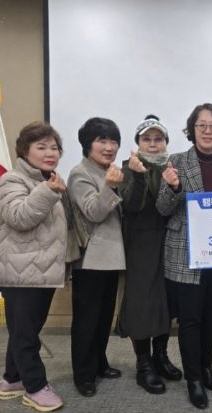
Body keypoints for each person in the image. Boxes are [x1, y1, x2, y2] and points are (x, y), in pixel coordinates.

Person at [156, 103, 212, 409]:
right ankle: (193, 379)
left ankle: (206, 368)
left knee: (211, 317)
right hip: (185, 253)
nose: (207, 131)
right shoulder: (176, 161)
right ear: (192, 130)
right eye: (201, 125)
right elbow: (162, 209)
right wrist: (174, 187)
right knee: (190, 319)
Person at [0, 121, 66, 412]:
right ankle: (35, 387)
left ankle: (12, 379)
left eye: (54, 148)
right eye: (41, 147)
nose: (50, 153)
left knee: (26, 329)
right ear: (24, 151)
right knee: (25, 334)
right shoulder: (11, 181)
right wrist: (48, 191)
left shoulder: (47, 180)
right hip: (18, 271)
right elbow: (20, 217)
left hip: (39, 270)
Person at [117, 115, 182, 395]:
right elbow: (131, 206)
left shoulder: (173, 166)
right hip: (140, 243)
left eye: (158, 139)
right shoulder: (127, 168)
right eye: (147, 139)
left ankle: (161, 356)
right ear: (138, 143)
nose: (153, 144)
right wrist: (139, 175)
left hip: (169, 240)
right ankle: (143, 364)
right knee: (142, 302)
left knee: (165, 300)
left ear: (166, 142)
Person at [68, 117, 125, 397]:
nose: (109, 147)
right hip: (91, 260)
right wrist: (110, 187)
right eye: (102, 141)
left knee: (103, 318)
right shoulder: (80, 174)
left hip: (111, 258)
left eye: (114, 141)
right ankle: (83, 375)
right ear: (87, 144)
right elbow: (93, 211)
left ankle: (99, 363)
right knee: (86, 320)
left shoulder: (109, 171)